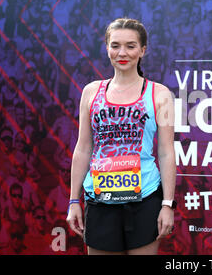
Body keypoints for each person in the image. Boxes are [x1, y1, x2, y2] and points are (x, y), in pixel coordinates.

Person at [66, 18, 176, 255]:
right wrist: (74, 200)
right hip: (99, 201)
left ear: (143, 50)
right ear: (107, 48)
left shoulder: (160, 94)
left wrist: (167, 204)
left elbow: (166, 152)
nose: (122, 53)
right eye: (115, 45)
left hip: (145, 199)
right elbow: (83, 148)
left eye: (130, 46)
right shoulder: (91, 92)